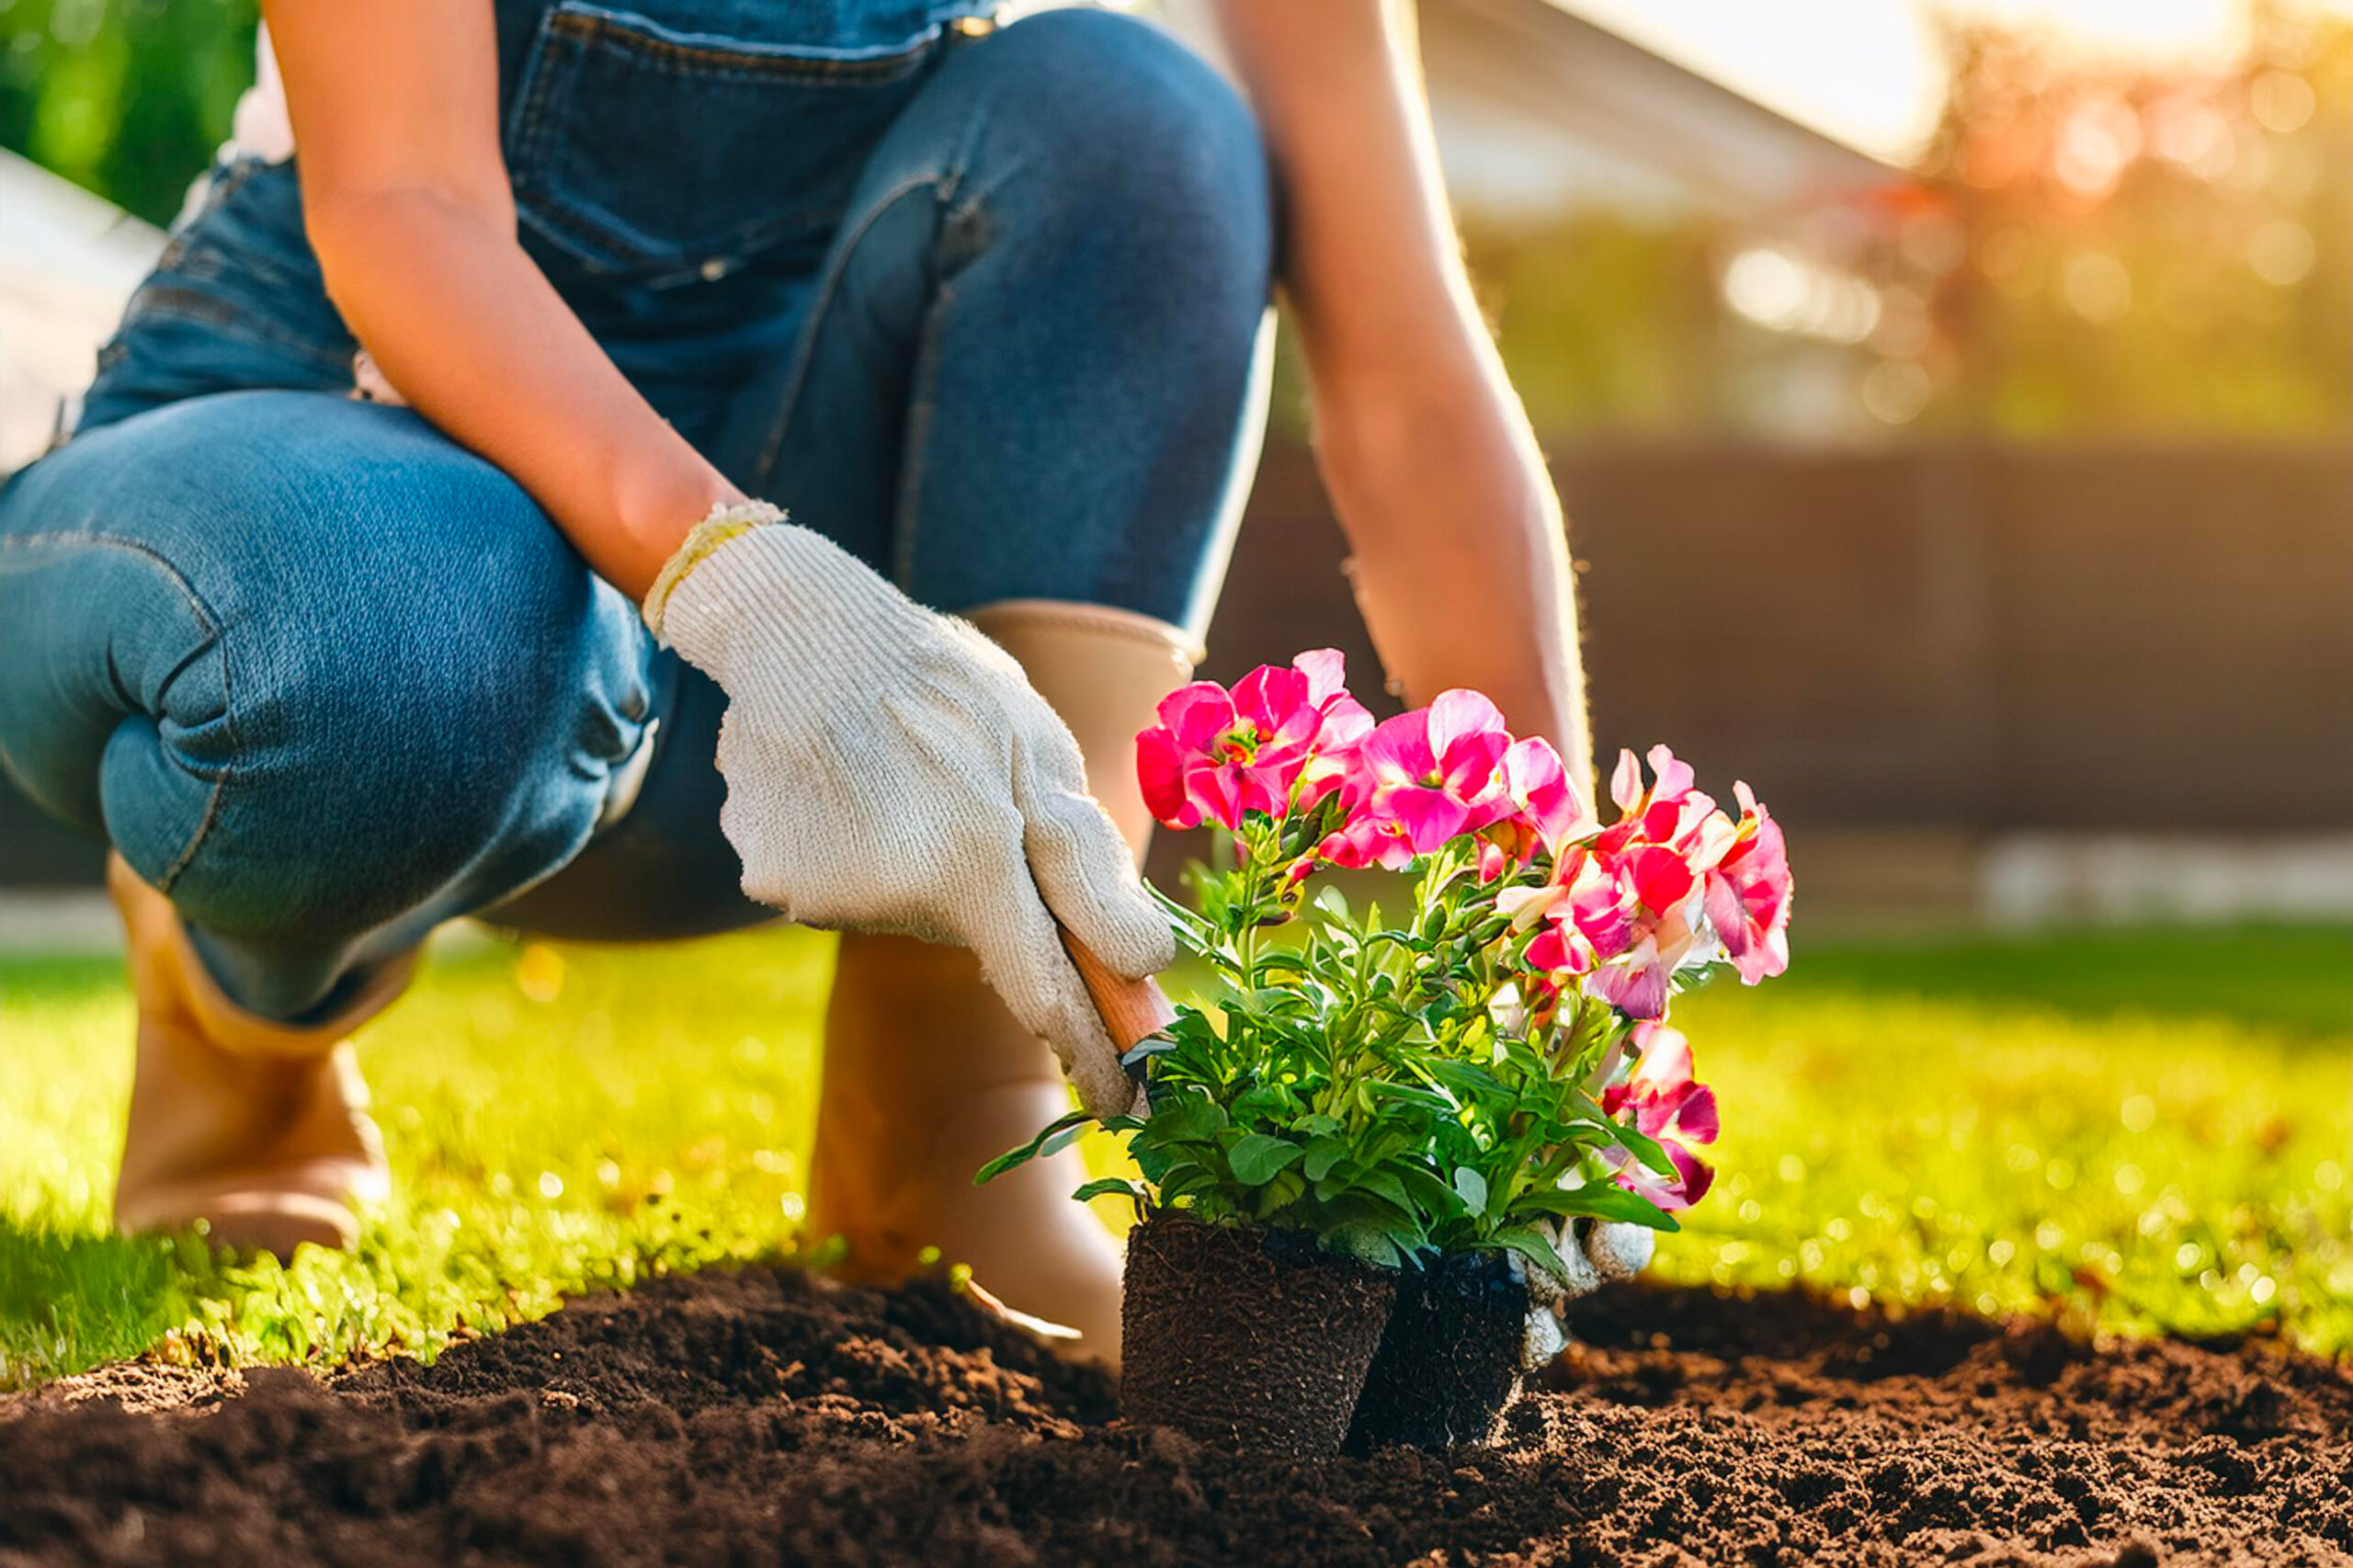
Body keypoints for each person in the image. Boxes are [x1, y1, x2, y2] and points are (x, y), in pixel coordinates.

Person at [0, 0, 1612, 1362]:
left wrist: (1568, 944)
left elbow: (1406, 376)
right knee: (379, 645)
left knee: (1144, 124)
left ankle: (953, 1131)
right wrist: (741, 581)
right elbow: (404, 205)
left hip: (754, 661)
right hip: (329, 463)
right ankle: (246, 1026)